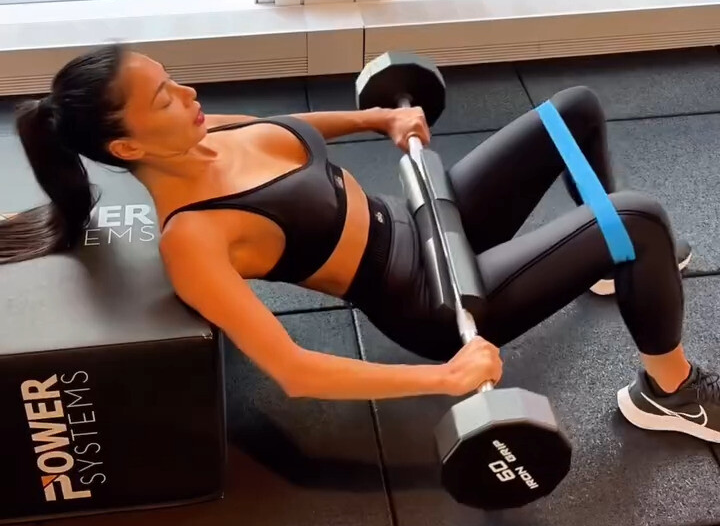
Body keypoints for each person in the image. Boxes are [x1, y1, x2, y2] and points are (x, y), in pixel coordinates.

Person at [2, 46, 717, 441]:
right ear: (128, 146)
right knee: (639, 219)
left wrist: (378, 118)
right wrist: (447, 378)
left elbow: (290, 130)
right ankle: (670, 393)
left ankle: (613, 264)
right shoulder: (195, 238)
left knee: (573, 110)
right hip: (432, 300)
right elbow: (294, 371)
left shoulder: (201, 130)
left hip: (424, 213)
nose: (188, 95)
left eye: (171, 79)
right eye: (163, 97)